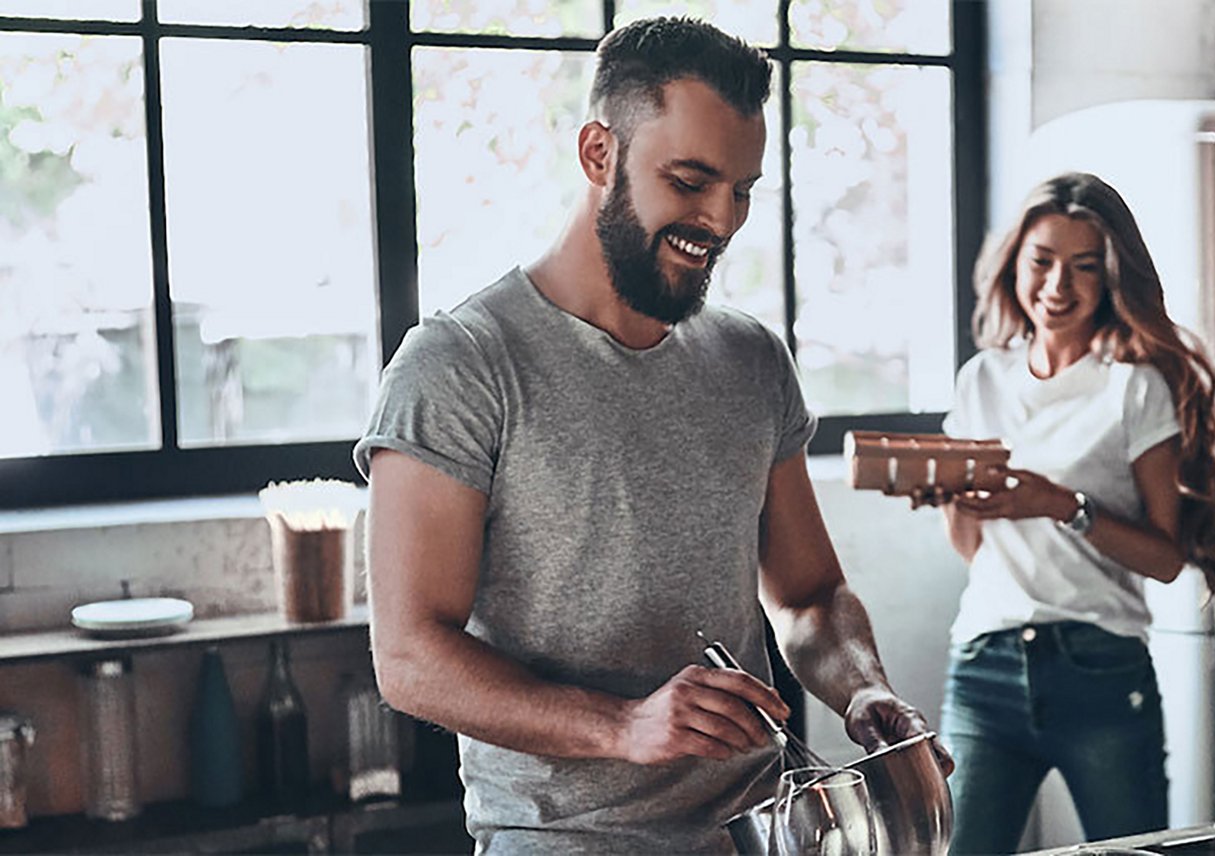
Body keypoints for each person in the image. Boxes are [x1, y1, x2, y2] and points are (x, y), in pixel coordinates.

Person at [353, 16, 946, 855]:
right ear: (600, 154)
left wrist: (863, 690)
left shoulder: (751, 361)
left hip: (759, 835)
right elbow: (410, 657)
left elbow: (809, 597)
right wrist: (627, 726)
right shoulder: (462, 363)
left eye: (742, 188)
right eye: (691, 180)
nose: (721, 219)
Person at [923, 172, 1215, 854]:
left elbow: (1166, 560)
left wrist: (1060, 504)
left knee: (1134, 855)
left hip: (1101, 671)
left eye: (1084, 268)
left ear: (1111, 280)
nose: (1057, 287)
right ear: (1015, 262)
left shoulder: (1136, 388)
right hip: (986, 663)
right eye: (1042, 262)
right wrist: (951, 498)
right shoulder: (981, 379)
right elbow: (974, 550)